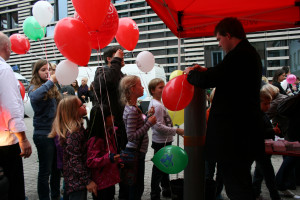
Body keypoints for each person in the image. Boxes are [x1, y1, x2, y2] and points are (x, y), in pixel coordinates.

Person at [184, 17, 264, 200]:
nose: (219, 44)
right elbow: (222, 74)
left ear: (228, 35)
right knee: (239, 183)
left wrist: (190, 74)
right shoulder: (246, 54)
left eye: (219, 39)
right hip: (242, 135)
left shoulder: (240, 55)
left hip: (235, 138)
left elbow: (208, 79)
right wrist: (205, 71)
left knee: (237, 187)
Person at [0, 31, 32, 200]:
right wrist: (23, 138)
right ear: (7, 47)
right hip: (5, 143)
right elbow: (10, 107)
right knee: (13, 190)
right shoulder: (4, 69)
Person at [93, 46, 128, 199]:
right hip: (106, 127)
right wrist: (116, 61)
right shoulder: (100, 71)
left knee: (121, 161)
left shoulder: (119, 73)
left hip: (120, 124)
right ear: (109, 58)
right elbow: (106, 81)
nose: (122, 58)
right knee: (108, 161)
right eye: (118, 55)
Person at [49, 96, 97, 199]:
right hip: (76, 182)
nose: (84, 106)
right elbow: (74, 160)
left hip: (75, 180)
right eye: (80, 105)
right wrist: (87, 181)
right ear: (73, 111)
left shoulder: (77, 128)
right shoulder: (73, 134)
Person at [28, 59, 61, 200]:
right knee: (45, 171)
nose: (47, 72)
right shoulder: (34, 87)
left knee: (56, 170)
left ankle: (55, 196)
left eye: (49, 69)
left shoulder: (52, 87)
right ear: (36, 72)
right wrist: (50, 81)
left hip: (55, 133)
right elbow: (34, 97)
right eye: (43, 70)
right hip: (43, 134)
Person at [120, 75, 156, 200]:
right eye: (140, 85)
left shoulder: (133, 107)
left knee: (135, 185)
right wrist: (150, 123)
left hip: (137, 152)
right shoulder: (132, 110)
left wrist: (147, 116)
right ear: (132, 89)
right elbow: (131, 136)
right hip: (135, 152)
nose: (142, 87)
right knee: (136, 187)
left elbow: (136, 126)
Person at [147, 78, 184, 200]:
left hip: (163, 140)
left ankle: (166, 189)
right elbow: (158, 127)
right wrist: (176, 130)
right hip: (161, 141)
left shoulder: (157, 103)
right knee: (158, 169)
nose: (163, 89)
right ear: (152, 90)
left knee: (164, 168)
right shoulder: (157, 106)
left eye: (164, 86)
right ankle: (155, 194)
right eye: (160, 87)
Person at [252, 90, 282, 200]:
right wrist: (272, 130)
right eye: (265, 103)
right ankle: (274, 196)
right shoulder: (257, 115)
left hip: (263, 148)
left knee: (261, 172)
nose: (268, 106)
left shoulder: (262, 114)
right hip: (260, 148)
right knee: (268, 174)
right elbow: (259, 131)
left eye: (269, 103)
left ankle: (255, 192)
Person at [87, 105, 121, 200]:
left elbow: (112, 153)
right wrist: (109, 158)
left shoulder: (110, 133)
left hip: (110, 180)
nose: (113, 117)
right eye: (110, 115)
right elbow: (91, 161)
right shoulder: (96, 139)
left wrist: (118, 160)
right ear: (103, 119)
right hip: (101, 184)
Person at [275, 93, 300, 199]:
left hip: (293, 131)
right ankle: (280, 182)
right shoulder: (295, 99)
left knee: (292, 158)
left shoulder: (295, 98)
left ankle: (285, 182)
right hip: (295, 132)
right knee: (292, 158)